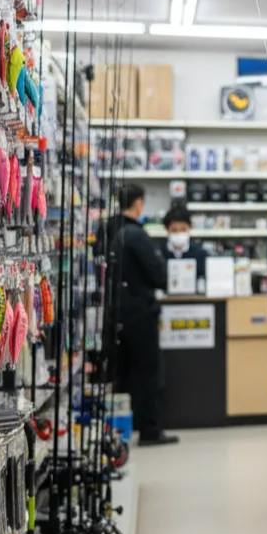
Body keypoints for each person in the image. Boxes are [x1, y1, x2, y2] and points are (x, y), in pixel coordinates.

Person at [105, 184, 179, 447]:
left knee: (119, 375)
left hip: (111, 316)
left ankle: (116, 432)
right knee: (149, 374)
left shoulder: (106, 230)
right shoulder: (136, 235)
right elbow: (158, 275)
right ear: (138, 204)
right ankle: (150, 430)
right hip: (140, 314)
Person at [161, 204, 207, 286]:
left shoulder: (201, 254)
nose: (179, 234)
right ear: (167, 230)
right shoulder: (158, 254)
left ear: (189, 228)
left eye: (183, 229)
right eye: (174, 230)